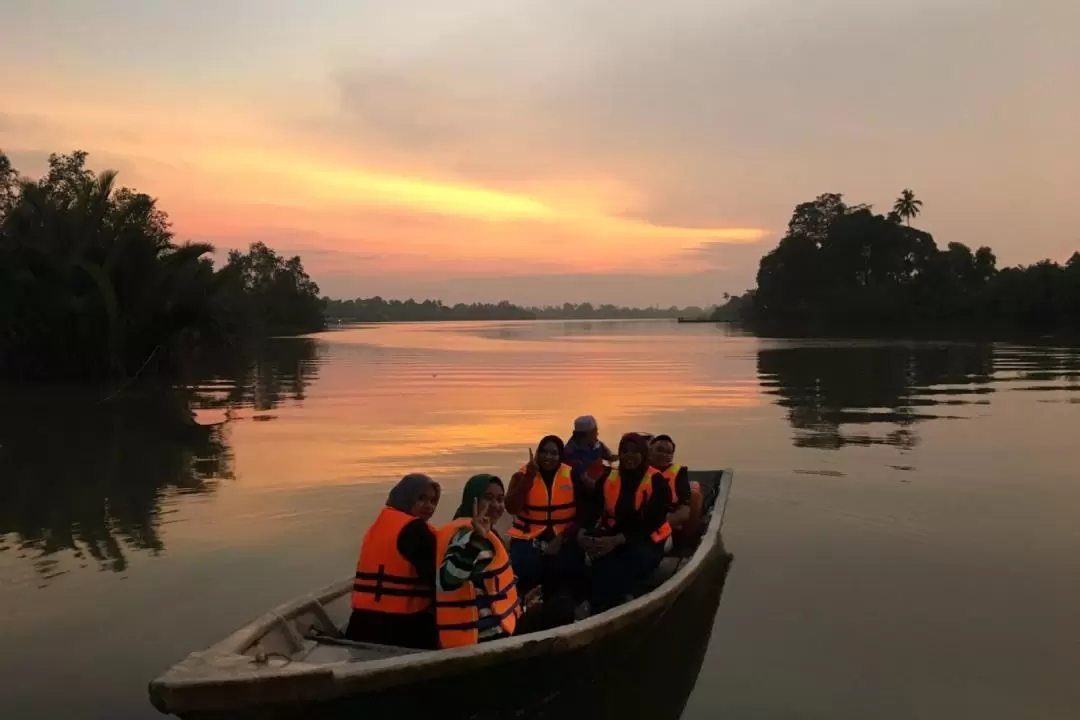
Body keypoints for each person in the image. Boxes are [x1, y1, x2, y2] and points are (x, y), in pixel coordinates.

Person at [435, 474, 542, 648]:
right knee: (562, 609)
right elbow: (447, 580)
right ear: (473, 501)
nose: (496, 506)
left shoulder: (488, 535)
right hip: (484, 637)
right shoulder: (465, 537)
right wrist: (476, 541)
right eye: (488, 498)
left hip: (498, 627)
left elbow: (491, 588)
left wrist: (522, 601)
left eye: (500, 499)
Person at [578, 432, 672, 613]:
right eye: (625, 452)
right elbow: (592, 508)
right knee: (594, 553)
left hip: (649, 540)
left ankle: (597, 604)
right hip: (615, 534)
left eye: (635, 452)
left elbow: (651, 523)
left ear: (643, 454)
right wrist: (582, 531)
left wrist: (615, 541)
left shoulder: (656, 481)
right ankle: (599, 598)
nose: (629, 456)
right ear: (619, 454)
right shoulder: (609, 478)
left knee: (626, 561)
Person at [345, 473, 441, 649]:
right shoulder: (415, 530)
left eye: (433, 501)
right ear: (406, 497)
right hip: (402, 629)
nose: (428, 506)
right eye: (421, 498)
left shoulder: (379, 524)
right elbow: (440, 580)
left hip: (359, 626)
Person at [505, 435, 587, 604]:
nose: (548, 457)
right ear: (537, 453)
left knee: (569, 567)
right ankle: (524, 601)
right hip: (528, 536)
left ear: (560, 456)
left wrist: (561, 538)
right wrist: (529, 476)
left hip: (563, 535)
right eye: (544, 452)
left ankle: (566, 601)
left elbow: (583, 513)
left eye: (554, 453)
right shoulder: (521, 476)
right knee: (525, 566)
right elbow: (512, 507)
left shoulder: (572, 475)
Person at [648, 434, 692, 535]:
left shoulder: (679, 474)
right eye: (659, 450)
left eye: (668, 452)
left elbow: (685, 510)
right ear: (650, 452)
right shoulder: (639, 471)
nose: (663, 455)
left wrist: (661, 524)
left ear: (672, 456)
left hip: (664, 526)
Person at [562, 415, 616, 484]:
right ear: (584, 435)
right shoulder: (570, 453)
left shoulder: (597, 444)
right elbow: (585, 480)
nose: (597, 434)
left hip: (600, 479)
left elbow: (610, 457)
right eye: (595, 431)